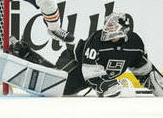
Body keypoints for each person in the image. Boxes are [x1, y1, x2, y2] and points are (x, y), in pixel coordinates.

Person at [10, 12, 163, 97]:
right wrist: (108, 87)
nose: (108, 30)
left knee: (59, 87)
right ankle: (21, 51)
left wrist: (158, 86)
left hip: (87, 74)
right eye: (107, 26)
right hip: (76, 62)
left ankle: (22, 51)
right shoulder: (97, 40)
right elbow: (91, 73)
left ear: (124, 30)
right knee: (53, 85)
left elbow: (143, 70)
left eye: (112, 27)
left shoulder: (135, 44)